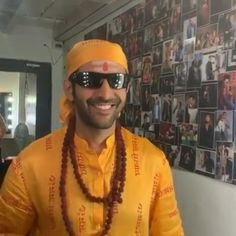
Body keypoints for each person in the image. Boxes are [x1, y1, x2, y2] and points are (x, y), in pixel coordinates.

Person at [0, 39, 184, 235]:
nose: (105, 93)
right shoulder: (28, 165)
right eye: (90, 79)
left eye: (117, 80)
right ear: (70, 89)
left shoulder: (154, 162)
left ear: (126, 90)